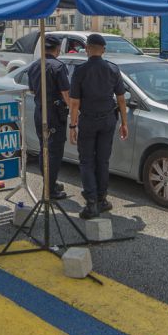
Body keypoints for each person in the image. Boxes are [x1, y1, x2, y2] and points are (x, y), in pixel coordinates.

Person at [68, 34, 128, 220]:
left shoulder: (80, 71)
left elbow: (75, 102)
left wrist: (72, 125)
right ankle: (102, 199)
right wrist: (125, 123)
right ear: (103, 49)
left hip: (88, 121)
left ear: (86, 49)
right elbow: (120, 99)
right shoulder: (112, 69)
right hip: (108, 120)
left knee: (86, 161)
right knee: (103, 160)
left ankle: (91, 203)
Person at [27, 35, 71, 200]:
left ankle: (49, 183)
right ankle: (50, 190)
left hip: (40, 112)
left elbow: (32, 90)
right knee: (54, 152)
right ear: (57, 49)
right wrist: (74, 111)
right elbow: (66, 93)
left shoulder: (34, 66)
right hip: (55, 113)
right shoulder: (58, 67)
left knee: (43, 149)